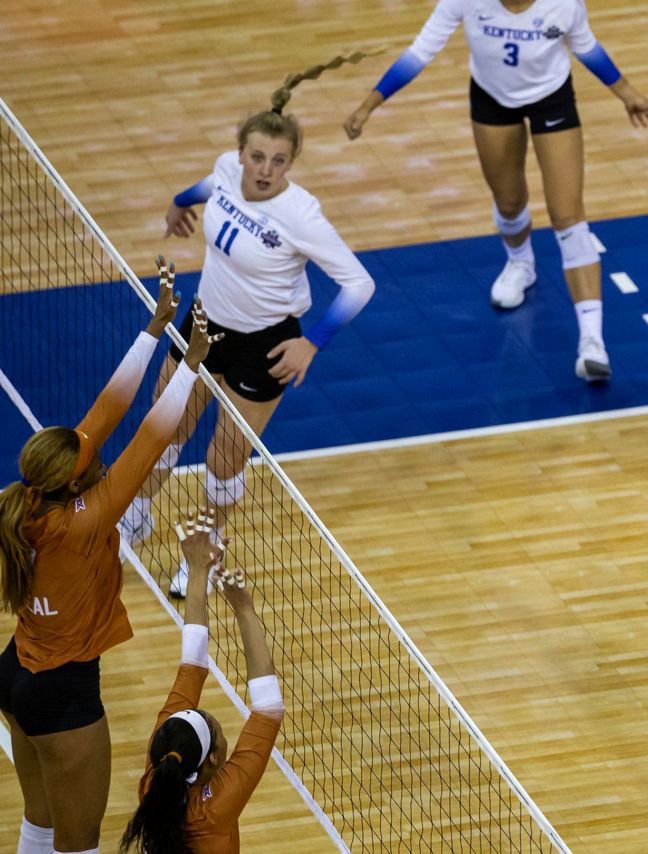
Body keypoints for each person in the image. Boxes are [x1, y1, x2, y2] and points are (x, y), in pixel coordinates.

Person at [120, 55, 378, 597]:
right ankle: (136, 514)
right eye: (257, 156)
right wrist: (177, 203)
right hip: (204, 323)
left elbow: (359, 284)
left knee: (225, 456)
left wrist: (312, 343)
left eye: (278, 161)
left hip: (265, 344)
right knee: (164, 428)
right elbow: (209, 186)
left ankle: (205, 552)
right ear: (241, 153)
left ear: (291, 165)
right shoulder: (226, 171)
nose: (265, 169)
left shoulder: (302, 216)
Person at [0, 264, 214, 854]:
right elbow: (148, 438)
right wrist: (190, 364)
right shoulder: (87, 520)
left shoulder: (30, 501)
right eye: (90, 459)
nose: (95, 453)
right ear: (79, 480)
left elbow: (106, 409)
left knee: (39, 824)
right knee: (79, 842)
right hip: (62, 691)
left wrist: (155, 329)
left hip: (16, 671)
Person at [343, 0, 648, 382]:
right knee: (509, 202)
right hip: (492, 100)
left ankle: (592, 343)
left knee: (568, 215)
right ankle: (520, 263)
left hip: (551, 97)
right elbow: (420, 51)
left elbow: (586, 46)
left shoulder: (563, 4)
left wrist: (627, 92)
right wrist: (369, 105)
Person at [120, 510, 284, 854]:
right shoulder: (214, 804)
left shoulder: (160, 770)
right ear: (212, 759)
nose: (224, 737)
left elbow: (192, 665)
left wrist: (197, 572)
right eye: (219, 732)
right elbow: (268, 709)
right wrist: (244, 610)